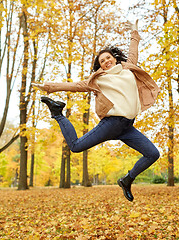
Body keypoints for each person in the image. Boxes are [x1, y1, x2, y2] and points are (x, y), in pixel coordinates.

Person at [32, 20, 160, 202]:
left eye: (108, 58)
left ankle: (126, 180)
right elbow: (74, 86)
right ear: (100, 65)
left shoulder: (128, 68)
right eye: (102, 61)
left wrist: (134, 32)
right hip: (111, 123)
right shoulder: (99, 80)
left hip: (127, 127)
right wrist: (49, 87)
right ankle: (58, 113)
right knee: (75, 146)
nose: (106, 61)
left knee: (153, 154)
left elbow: (133, 51)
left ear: (114, 58)